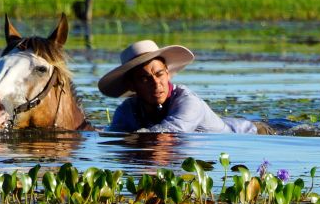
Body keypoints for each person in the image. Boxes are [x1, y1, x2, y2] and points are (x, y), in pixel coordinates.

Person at [99, 40, 258, 134]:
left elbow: (167, 134)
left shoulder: (189, 103)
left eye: (159, 74)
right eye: (145, 79)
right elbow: (114, 135)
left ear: (167, 73)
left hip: (249, 133)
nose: (156, 83)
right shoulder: (126, 111)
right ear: (132, 85)